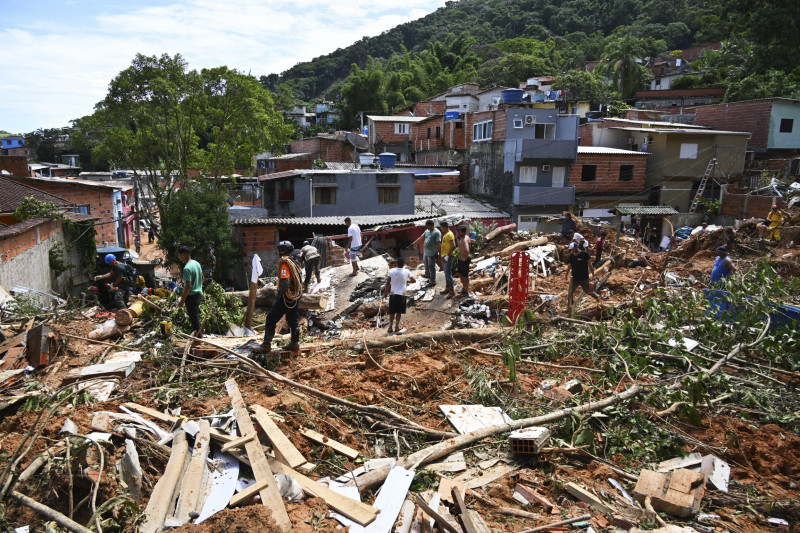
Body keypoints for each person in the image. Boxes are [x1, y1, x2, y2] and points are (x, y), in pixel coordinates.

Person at [252, 241, 303, 361]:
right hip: (296, 298)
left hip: (285, 298)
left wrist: (278, 296)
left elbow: (284, 283)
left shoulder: (285, 264)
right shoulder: (295, 263)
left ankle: (266, 345)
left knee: (271, 319)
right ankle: (294, 343)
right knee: (293, 321)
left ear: (281, 250)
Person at [565, 241, 600, 315]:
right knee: (570, 293)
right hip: (574, 279)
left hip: (584, 278)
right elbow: (570, 265)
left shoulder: (584, 254)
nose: (571, 250)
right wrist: (566, 274)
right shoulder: (572, 256)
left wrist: (593, 274)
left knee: (587, 291)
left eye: (572, 249)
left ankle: (598, 298)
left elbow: (590, 265)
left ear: (576, 247)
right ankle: (569, 308)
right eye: (571, 249)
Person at [383, 258, 416, 334]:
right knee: (399, 311)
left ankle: (390, 327)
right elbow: (414, 280)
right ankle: (397, 326)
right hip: (402, 294)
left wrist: (385, 292)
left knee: (392, 311)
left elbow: (388, 283)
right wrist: (406, 280)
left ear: (396, 264)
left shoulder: (391, 271)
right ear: (404, 264)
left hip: (393, 293)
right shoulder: (407, 271)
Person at [176, 246, 204, 337]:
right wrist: (198, 286)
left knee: (194, 318)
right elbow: (202, 278)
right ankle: (198, 335)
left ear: (183, 255)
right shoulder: (196, 264)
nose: (179, 257)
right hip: (199, 294)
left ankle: (199, 338)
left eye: (180, 255)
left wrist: (182, 301)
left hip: (192, 296)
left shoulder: (187, 268)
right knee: (195, 316)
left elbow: (188, 286)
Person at [410, 220, 441, 287]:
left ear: (431, 225)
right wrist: (413, 244)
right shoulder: (427, 231)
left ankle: (433, 281)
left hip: (432, 253)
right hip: (426, 252)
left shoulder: (437, 232)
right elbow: (420, 238)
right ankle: (427, 274)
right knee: (426, 265)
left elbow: (439, 244)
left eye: (428, 226)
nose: (427, 228)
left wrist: (437, 252)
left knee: (431, 267)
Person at [438, 220, 456, 298]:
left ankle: (452, 291)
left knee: (448, 274)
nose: (441, 229)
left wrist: (448, 255)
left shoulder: (450, 234)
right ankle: (447, 288)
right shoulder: (445, 234)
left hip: (448, 256)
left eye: (441, 227)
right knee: (446, 273)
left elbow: (454, 246)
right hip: (444, 256)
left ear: (444, 227)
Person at [457, 225, 471, 296]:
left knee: (465, 275)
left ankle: (466, 291)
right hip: (462, 259)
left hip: (464, 259)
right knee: (460, 273)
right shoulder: (463, 238)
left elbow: (467, 250)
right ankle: (464, 288)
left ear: (463, 232)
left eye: (459, 232)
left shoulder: (465, 239)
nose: (458, 233)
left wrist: (464, 258)